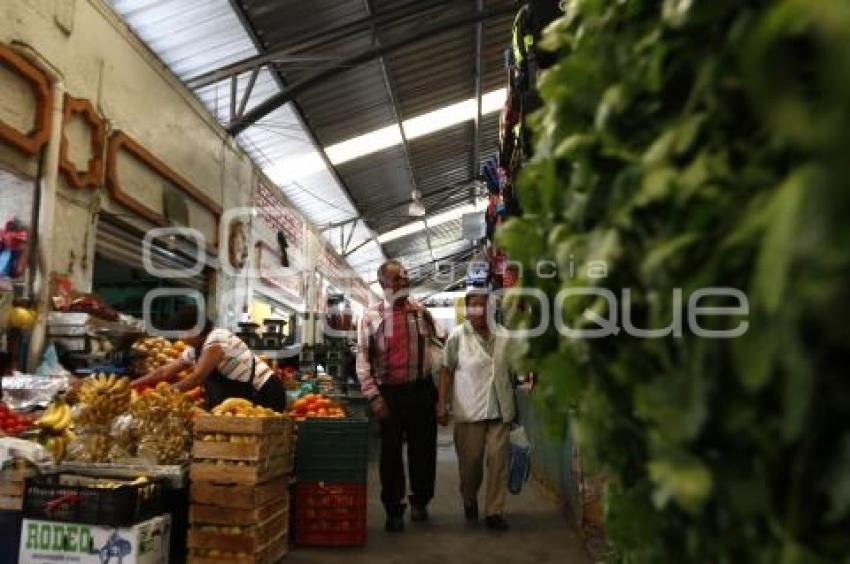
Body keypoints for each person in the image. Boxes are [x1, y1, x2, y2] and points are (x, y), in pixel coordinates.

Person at [357, 259, 444, 532]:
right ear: (383, 284)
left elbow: (440, 347)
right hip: (390, 394)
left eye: (405, 276)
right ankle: (394, 509)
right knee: (391, 454)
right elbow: (362, 361)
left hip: (421, 390)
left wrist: (442, 394)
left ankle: (420, 501)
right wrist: (374, 396)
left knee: (424, 451)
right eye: (397, 278)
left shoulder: (420, 312)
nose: (404, 281)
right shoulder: (371, 317)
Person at [437, 289, 516, 532]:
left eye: (485, 305)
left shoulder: (506, 336)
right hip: (469, 411)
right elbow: (446, 370)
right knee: (470, 465)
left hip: (500, 410)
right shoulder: (458, 337)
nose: (480, 310)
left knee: (498, 462)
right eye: (474, 306)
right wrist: (442, 403)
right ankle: (469, 498)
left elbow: (514, 370)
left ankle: (494, 511)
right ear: (467, 310)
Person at [132, 306, 286, 411]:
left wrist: (162, 395)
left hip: (265, 393)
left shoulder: (217, 340)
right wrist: (132, 385)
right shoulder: (196, 347)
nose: (180, 338)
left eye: (182, 332)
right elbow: (164, 372)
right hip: (244, 396)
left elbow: (196, 378)